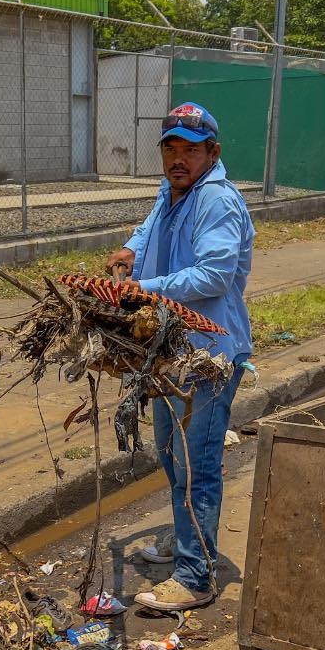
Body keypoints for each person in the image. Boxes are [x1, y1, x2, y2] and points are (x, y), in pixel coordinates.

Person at [101, 102, 254, 614]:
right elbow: (148, 232)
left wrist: (143, 289)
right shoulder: (173, 194)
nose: (179, 159)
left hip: (207, 358)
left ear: (213, 152)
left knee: (197, 466)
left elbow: (213, 276)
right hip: (171, 351)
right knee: (170, 453)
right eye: (171, 148)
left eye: (191, 149)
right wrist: (128, 250)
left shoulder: (217, 202)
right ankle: (186, 539)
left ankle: (196, 575)